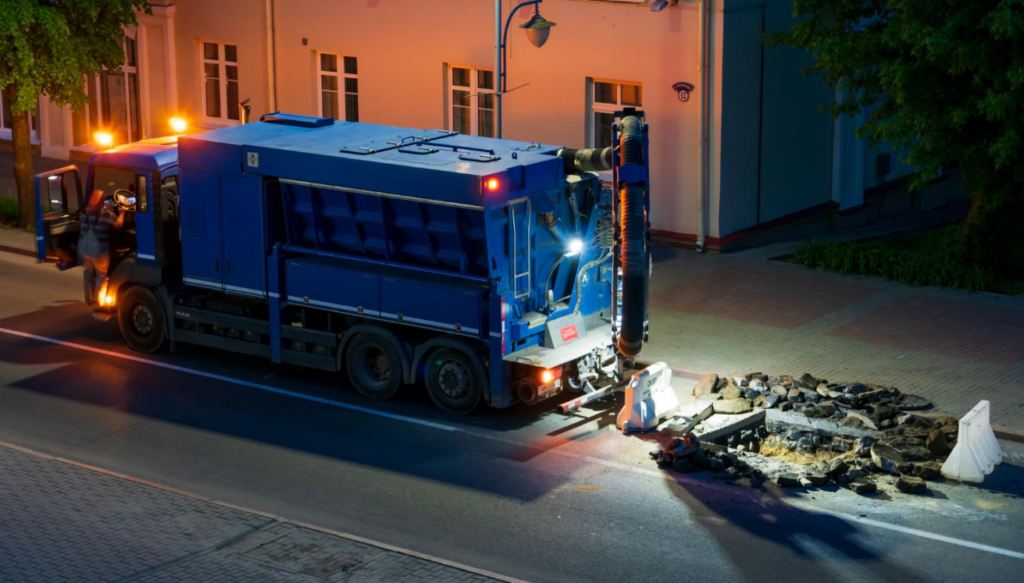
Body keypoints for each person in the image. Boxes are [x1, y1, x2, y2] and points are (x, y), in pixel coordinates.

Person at [79, 189, 125, 305]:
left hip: (83, 248)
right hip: (97, 250)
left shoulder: (83, 213)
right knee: (102, 275)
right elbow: (118, 226)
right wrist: (122, 213)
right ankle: (100, 301)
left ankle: (89, 296)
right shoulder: (106, 215)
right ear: (102, 202)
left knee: (89, 270)